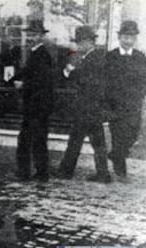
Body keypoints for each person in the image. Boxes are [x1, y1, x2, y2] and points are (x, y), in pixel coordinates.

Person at [55, 26, 111, 183]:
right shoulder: (95, 57)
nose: (78, 46)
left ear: (88, 42)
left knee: (76, 141)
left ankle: (66, 171)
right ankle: (102, 174)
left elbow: (85, 80)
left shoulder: (92, 59)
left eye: (80, 43)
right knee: (97, 143)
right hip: (93, 108)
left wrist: (69, 72)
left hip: (86, 108)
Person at [12, 21, 54, 182]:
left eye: (34, 34)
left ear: (42, 36)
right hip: (35, 105)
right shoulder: (35, 53)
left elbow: (42, 81)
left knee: (30, 139)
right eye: (29, 34)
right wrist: (16, 77)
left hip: (38, 105)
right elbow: (28, 72)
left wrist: (23, 84)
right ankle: (39, 172)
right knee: (35, 139)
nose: (30, 37)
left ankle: (29, 172)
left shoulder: (42, 55)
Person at [106, 20, 146, 180]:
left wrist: (140, 95)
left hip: (134, 105)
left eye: (131, 37)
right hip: (116, 105)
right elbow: (106, 81)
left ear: (135, 39)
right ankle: (120, 170)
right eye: (125, 37)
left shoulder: (140, 57)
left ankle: (115, 155)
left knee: (132, 135)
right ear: (119, 37)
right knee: (117, 136)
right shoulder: (111, 57)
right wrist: (108, 103)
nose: (128, 41)